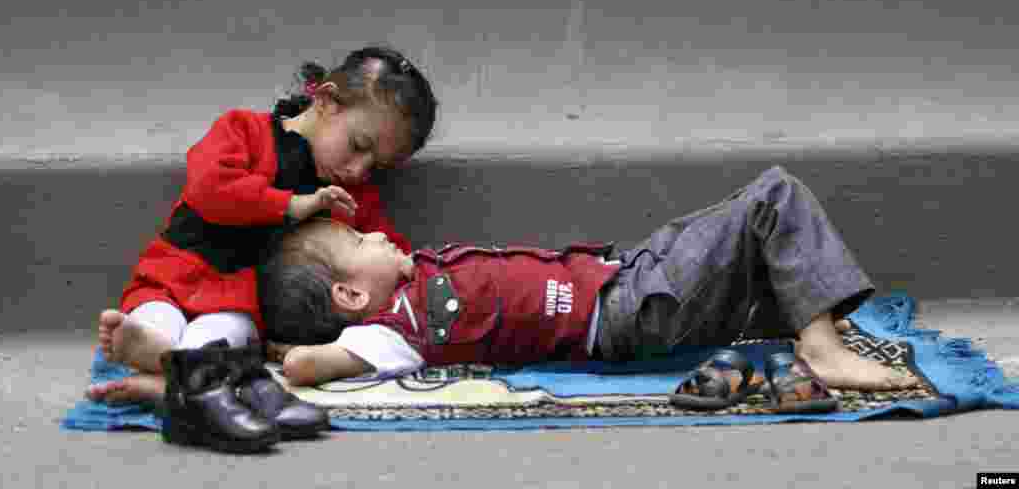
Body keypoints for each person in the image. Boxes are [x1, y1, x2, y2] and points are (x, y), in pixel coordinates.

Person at [258, 166, 919, 398]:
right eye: (358, 241)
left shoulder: (404, 294)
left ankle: (791, 324)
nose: (375, 233)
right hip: (628, 312)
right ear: (349, 295)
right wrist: (290, 355)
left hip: (624, 277)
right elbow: (318, 366)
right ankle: (818, 344)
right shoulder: (390, 334)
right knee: (773, 197)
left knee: (728, 229)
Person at [86, 45, 439, 405]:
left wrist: (423, 271)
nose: (359, 169)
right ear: (327, 101)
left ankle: (168, 378)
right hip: (175, 274)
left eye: (375, 165)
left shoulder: (352, 194)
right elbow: (209, 189)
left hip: (238, 302)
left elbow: (382, 249)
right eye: (358, 145)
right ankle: (150, 347)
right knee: (156, 316)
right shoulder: (243, 131)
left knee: (226, 336)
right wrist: (293, 204)